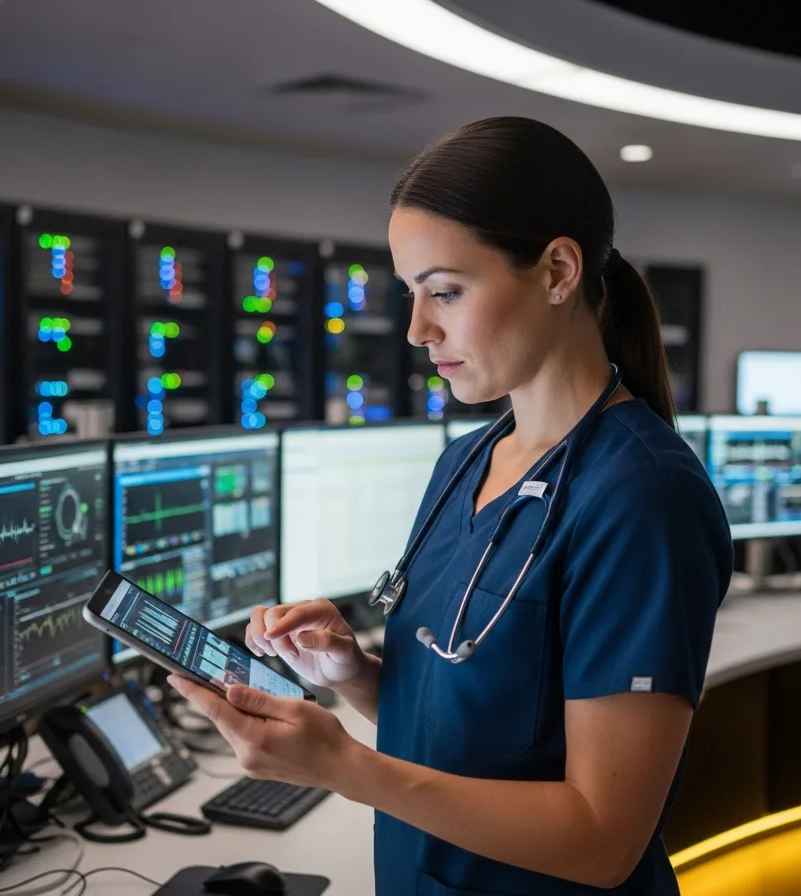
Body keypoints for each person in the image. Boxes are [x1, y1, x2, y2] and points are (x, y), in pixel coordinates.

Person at [169, 116, 732, 895]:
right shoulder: (464, 462)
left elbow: (604, 839)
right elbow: (472, 729)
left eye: (446, 291)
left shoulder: (644, 497)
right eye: (412, 294)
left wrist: (345, 768)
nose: (416, 329)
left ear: (559, 271)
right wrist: (355, 675)